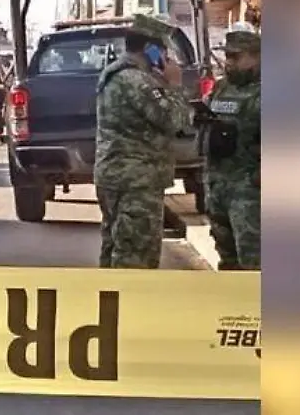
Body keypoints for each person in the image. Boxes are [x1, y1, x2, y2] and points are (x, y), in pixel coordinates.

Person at [93, 14, 190, 269]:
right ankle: (131, 307)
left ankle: (112, 304)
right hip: (136, 180)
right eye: (164, 49)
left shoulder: (117, 73)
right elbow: (175, 121)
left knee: (115, 246)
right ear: (151, 49)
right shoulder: (138, 81)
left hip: (116, 176)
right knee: (137, 256)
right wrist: (176, 85)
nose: (167, 56)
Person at [202, 30, 261, 270]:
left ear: (257, 57)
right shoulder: (222, 88)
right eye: (228, 57)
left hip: (249, 190)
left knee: (254, 260)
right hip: (219, 186)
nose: (229, 63)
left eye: (237, 57)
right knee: (228, 259)